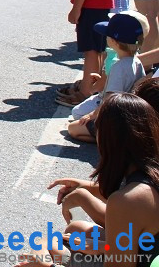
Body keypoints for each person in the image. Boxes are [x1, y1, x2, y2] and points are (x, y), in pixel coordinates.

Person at [37, 94, 159, 264]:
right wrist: (104, 246)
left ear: (108, 139)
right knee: (75, 230)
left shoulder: (128, 201)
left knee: (44, 250)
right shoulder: (150, 176)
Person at [65, 12, 146, 138]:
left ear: (113, 41)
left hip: (114, 114)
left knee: (74, 124)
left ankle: (107, 138)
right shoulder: (137, 61)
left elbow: (108, 100)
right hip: (127, 111)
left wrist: (91, 115)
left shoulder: (118, 66)